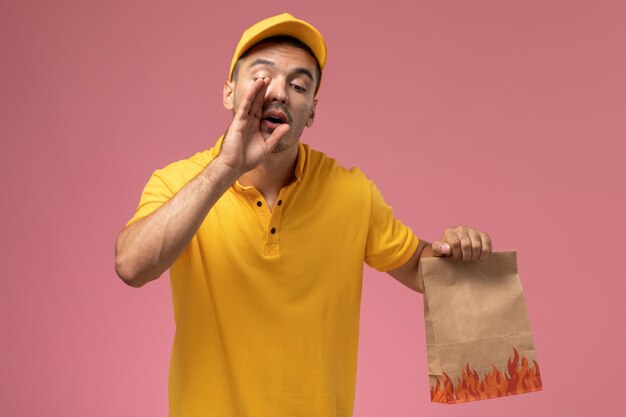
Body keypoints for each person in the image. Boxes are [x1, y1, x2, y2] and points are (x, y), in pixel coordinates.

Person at [115, 13, 492, 417]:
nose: (277, 92)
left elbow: (421, 268)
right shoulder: (179, 183)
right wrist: (226, 169)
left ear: (311, 111)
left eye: (298, 85)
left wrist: (459, 251)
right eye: (261, 76)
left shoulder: (351, 191)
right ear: (228, 93)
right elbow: (132, 266)